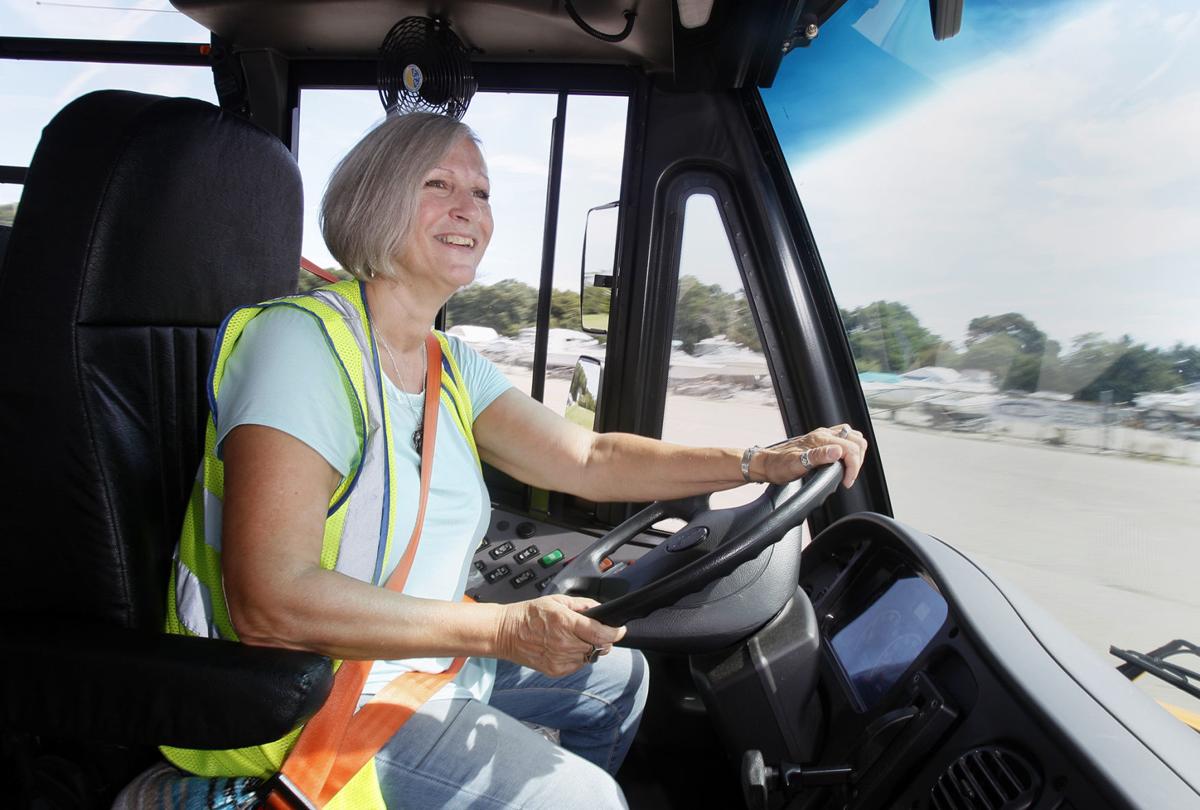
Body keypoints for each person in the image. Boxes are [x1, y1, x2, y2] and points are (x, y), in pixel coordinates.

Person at [151, 111, 868, 809]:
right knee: (589, 800)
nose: (470, 209)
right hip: (311, 696)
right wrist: (504, 630)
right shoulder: (300, 345)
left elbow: (589, 458)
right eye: (438, 184)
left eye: (483, 192)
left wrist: (758, 460)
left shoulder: (448, 363)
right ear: (372, 200)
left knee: (619, 680)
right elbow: (270, 604)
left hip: (412, 664)